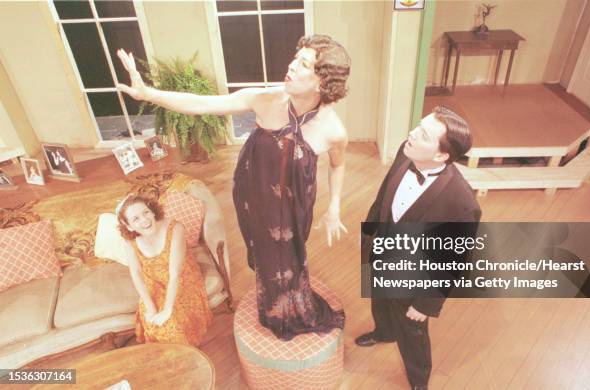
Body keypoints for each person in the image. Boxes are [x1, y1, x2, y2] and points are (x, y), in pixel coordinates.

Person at [116, 34, 350, 340]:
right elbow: (203, 105)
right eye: (296, 57)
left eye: (303, 63)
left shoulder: (333, 131)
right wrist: (148, 94)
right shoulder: (266, 98)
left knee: (291, 253)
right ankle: (272, 307)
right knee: (266, 253)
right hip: (254, 191)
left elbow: (338, 164)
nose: (291, 65)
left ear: (322, 82)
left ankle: (291, 305)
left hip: (295, 199)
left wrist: (334, 208)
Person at [356, 106, 482, 389]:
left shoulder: (462, 203)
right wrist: (369, 234)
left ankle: (418, 380)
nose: (412, 133)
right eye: (418, 126)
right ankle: (384, 332)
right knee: (380, 300)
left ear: (441, 155)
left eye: (423, 134)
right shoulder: (407, 150)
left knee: (412, 332)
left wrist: (426, 304)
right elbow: (383, 196)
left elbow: (454, 261)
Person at [117, 194, 213, 345]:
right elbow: (136, 273)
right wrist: (150, 307)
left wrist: (167, 309)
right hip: (152, 280)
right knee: (152, 321)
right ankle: (166, 357)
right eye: (136, 219)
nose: (145, 220)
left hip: (181, 276)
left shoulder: (175, 228)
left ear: (152, 211)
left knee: (171, 323)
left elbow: (175, 273)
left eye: (146, 212)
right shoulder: (130, 240)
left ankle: (186, 353)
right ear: (129, 226)